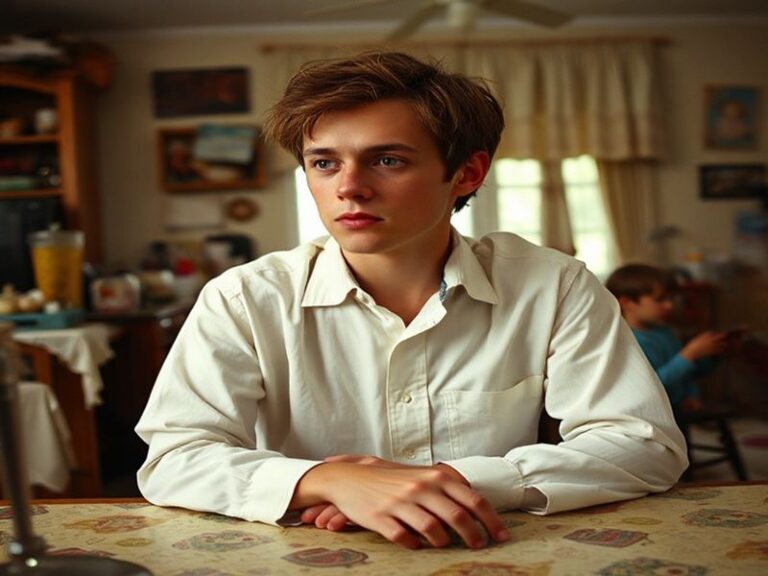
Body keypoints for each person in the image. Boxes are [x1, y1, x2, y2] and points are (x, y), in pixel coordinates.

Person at [136, 51, 687, 550]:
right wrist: (325, 480)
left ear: (466, 174)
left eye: (387, 160)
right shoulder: (243, 298)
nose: (348, 187)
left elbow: (645, 446)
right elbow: (173, 460)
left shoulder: (554, 285)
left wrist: (447, 485)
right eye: (324, 163)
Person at [605, 264, 735, 414]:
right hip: (651, 417)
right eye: (660, 299)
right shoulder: (626, 342)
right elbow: (650, 387)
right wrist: (688, 355)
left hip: (677, 411)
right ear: (627, 303)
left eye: (670, 298)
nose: (669, 305)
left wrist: (713, 354)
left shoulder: (665, 332)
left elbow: (686, 372)